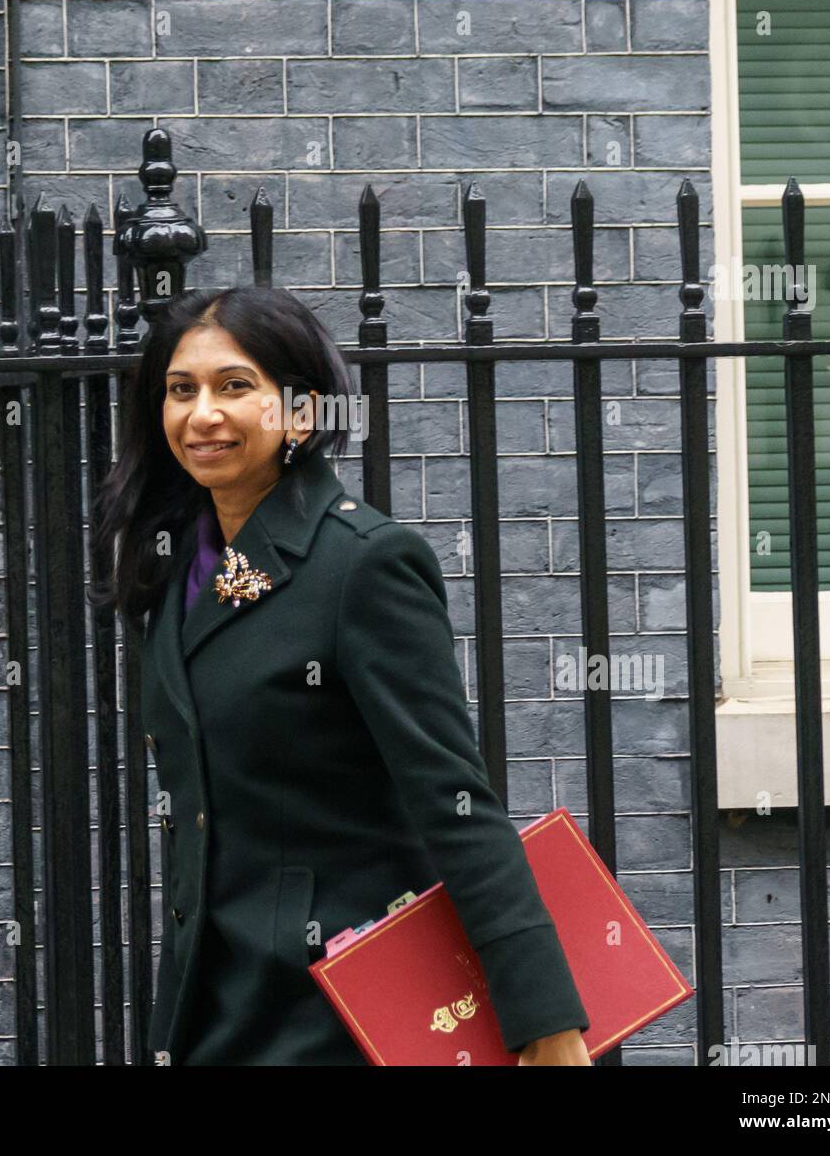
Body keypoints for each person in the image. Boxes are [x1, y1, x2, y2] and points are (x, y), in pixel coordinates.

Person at [94, 285, 591, 1066]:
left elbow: (454, 799)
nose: (202, 414)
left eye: (234, 387)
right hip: (210, 1003)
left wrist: (544, 1017)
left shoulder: (364, 564)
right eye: (180, 390)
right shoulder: (178, 570)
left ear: (301, 412)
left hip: (338, 1009)